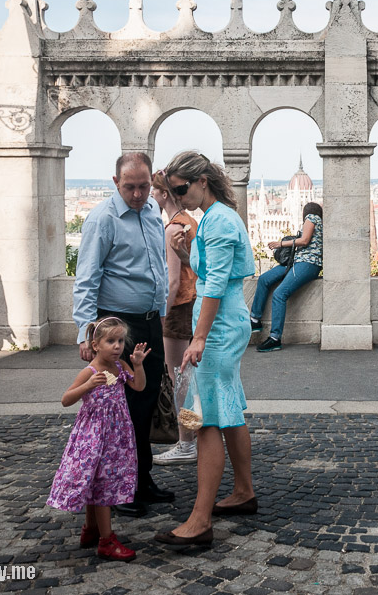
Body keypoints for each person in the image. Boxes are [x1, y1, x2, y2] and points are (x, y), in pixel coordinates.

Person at [155, 152, 256, 549]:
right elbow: (211, 272)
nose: (177, 198)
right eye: (173, 191)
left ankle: (200, 519)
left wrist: (198, 337)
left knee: (206, 416)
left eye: (181, 189)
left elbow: (214, 285)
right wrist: (184, 253)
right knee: (227, 406)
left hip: (217, 324)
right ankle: (244, 490)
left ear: (202, 181)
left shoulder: (216, 222)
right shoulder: (215, 218)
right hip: (223, 320)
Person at [72, 153, 172, 517]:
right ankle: (120, 489)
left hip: (148, 324)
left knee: (145, 403)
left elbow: (157, 269)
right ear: (115, 182)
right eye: (129, 186)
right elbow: (87, 277)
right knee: (122, 410)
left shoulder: (150, 212)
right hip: (117, 327)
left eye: (144, 186)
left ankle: (142, 479)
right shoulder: (103, 218)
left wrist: (158, 315)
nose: (137, 193)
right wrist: (86, 335)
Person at [48, 316, 148, 562]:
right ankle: (106, 540)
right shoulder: (90, 371)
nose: (117, 346)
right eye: (111, 341)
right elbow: (66, 399)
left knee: (100, 480)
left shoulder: (121, 366)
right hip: (94, 436)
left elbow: (139, 387)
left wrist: (138, 365)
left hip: (117, 435)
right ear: (95, 345)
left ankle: (91, 529)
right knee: (102, 484)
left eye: (121, 341)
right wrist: (89, 385)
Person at [151, 170, 199, 467]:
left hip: (177, 307)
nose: (150, 196)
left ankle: (186, 441)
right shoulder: (189, 221)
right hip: (192, 303)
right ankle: (194, 435)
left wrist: (161, 314)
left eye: (154, 191)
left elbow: (171, 281)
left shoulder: (172, 228)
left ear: (163, 194)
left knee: (179, 379)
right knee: (188, 378)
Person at [250, 202, 323, 352]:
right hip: (296, 262)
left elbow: (304, 240)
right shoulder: (319, 222)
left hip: (307, 263)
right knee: (264, 279)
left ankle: (275, 338)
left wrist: (281, 244)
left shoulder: (312, 217)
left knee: (279, 294)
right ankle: (254, 319)